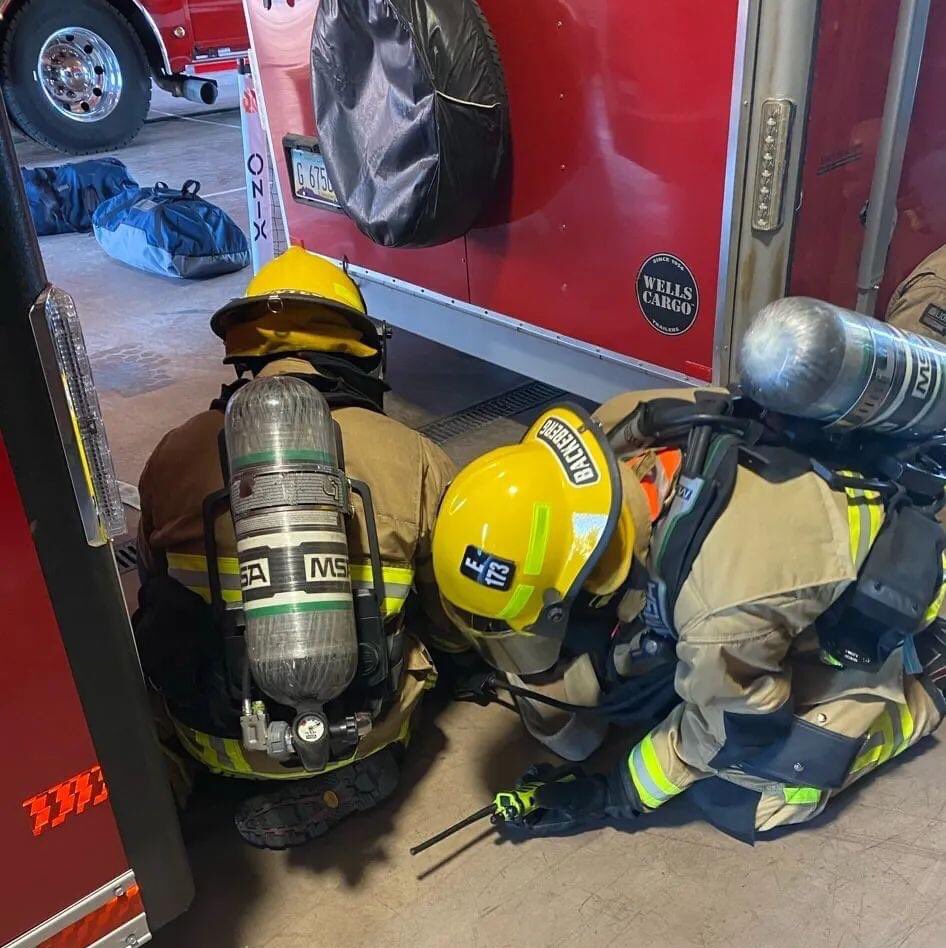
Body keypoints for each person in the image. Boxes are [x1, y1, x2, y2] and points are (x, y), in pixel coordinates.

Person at [431, 325, 946, 844]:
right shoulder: (619, 425)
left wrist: (615, 793)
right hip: (776, 562)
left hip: (898, 591)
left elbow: (724, 733)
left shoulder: (719, 608)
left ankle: (923, 688)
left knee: (747, 794)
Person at [134, 247, 467, 849]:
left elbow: (152, 581)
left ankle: (164, 798)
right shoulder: (414, 456)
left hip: (204, 730)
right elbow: (448, 610)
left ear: (244, 347)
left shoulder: (172, 452)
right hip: (355, 731)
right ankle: (351, 779)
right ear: (358, 349)